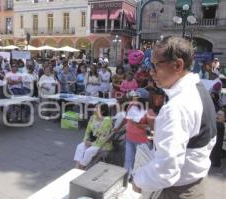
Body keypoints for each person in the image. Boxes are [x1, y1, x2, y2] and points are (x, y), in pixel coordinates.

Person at [132, 36, 217, 199]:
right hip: (194, 183)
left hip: (177, 192)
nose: (151, 72)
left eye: (155, 65)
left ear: (178, 65)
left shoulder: (177, 107)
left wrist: (138, 180)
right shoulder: (198, 90)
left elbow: (166, 171)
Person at [74, 104, 112, 170]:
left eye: (97, 109)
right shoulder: (92, 117)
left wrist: (91, 144)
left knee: (88, 151)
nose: (94, 110)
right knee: (79, 147)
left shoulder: (107, 120)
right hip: (90, 140)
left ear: (102, 111)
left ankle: (81, 167)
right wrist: (86, 140)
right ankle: (77, 168)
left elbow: (103, 137)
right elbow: (87, 131)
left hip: (102, 143)